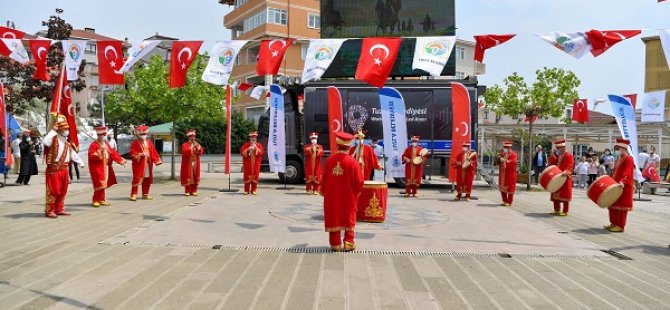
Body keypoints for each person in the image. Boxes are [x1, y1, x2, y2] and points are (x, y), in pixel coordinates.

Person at [320, 132, 364, 252]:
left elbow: (323, 179)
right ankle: (349, 243)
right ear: (349, 147)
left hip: (332, 197)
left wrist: (323, 191)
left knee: (333, 217)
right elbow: (360, 181)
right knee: (348, 216)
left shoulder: (329, 161)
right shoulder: (353, 162)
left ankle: (335, 244)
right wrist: (357, 192)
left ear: (337, 145)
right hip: (348, 197)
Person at [42, 116, 85, 218]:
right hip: (54, 169)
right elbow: (45, 142)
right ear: (59, 129)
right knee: (53, 190)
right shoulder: (53, 139)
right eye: (65, 129)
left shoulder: (67, 143)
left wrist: (80, 162)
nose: (67, 131)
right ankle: (50, 210)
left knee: (62, 190)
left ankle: (59, 209)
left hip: (64, 169)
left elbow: (73, 154)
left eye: (67, 129)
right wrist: (53, 130)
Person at [88, 125, 126, 207]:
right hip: (97, 168)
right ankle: (95, 199)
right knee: (99, 183)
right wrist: (99, 151)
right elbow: (91, 156)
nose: (103, 136)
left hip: (106, 167)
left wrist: (121, 160)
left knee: (104, 184)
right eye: (102, 135)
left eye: (104, 135)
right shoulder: (94, 145)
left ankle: (102, 199)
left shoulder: (106, 144)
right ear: (98, 136)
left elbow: (112, 153)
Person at [605, 138, 635, 233]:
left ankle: (620, 226)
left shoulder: (629, 158)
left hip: (623, 186)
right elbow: (616, 172)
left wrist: (623, 181)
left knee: (621, 207)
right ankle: (613, 223)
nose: (616, 150)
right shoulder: (619, 158)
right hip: (616, 185)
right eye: (616, 148)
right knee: (613, 203)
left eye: (618, 148)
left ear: (623, 148)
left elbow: (628, 172)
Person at [129, 125, 162, 201]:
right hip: (139, 164)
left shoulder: (149, 142)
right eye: (142, 134)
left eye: (144, 134)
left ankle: (145, 194)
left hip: (148, 164)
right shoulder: (135, 143)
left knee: (147, 178)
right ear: (138, 135)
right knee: (136, 178)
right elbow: (132, 153)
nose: (143, 136)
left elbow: (153, 152)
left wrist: (157, 160)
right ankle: (133, 194)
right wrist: (140, 154)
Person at [548, 138, 574, 216]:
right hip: (557, 177)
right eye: (557, 148)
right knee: (555, 192)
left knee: (565, 194)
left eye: (559, 148)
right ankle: (556, 209)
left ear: (563, 147)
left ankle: (565, 211)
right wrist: (553, 155)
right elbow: (552, 163)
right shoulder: (558, 155)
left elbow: (570, 165)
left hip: (565, 177)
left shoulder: (569, 155)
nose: (558, 149)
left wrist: (566, 172)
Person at [181, 129, 204, 196]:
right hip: (188, 163)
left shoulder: (197, 144)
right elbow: (185, 152)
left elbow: (201, 152)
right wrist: (191, 147)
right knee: (188, 175)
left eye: (193, 136)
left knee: (195, 175)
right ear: (188, 137)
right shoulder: (185, 144)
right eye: (191, 136)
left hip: (196, 162)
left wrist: (198, 147)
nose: (192, 138)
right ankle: (187, 191)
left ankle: (194, 190)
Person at [498, 141, 517, 207]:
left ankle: (509, 202)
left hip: (510, 174)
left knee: (510, 188)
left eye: (506, 147)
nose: (505, 149)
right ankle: (504, 201)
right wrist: (498, 158)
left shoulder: (513, 154)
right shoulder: (503, 154)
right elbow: (498, 161)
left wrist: (504, 161)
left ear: (509, 148)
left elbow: (513, 162)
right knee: (502, 187)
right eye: (504, 147)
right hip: (503, 174)